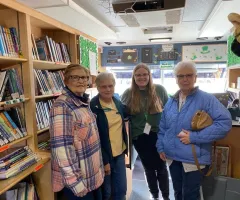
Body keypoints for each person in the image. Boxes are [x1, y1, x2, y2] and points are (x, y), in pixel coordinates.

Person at [156, 61, 232, 200]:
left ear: (195, 77)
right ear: (176, 79)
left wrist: (194, 137)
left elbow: (225, 123)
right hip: (172, 157)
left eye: (189, 75)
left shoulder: (206, 99)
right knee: (178, 193)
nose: (185, 79)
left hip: (192, 159)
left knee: (190, 195)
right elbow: (163, 127)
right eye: (181, 76)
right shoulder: (171, 101)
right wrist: (161, 146)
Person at [49, 64, 104, 200]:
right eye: (76, 77)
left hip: (90, 178)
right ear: (66, 80)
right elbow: (62, 150)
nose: (81, 81)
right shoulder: (62, 106)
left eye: (85, 77)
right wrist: (75, 183)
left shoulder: (82, 102)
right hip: (79, 184)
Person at [121, 63, 169, 200]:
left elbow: (169, 112)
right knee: (148, 167)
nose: (141, 77)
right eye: (138, 75)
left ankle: (165, 196)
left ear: (149, 75)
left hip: (158, 135)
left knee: (161, 166)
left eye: (144, 74)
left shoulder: (159, 90)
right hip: (140, 137)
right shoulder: (128, 93)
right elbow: (122, 114)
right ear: (134, 77)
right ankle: (154, 195)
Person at [90, 72, 128, 200]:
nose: (107, 89)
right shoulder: (92, 106)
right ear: (97, 87)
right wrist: (104, 160)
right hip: (103, 156)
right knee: (107, 192)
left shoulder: (117, 102)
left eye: (110, 86)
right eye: (103, 86)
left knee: (121, 189)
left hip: (119, 153)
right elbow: (95, 137)